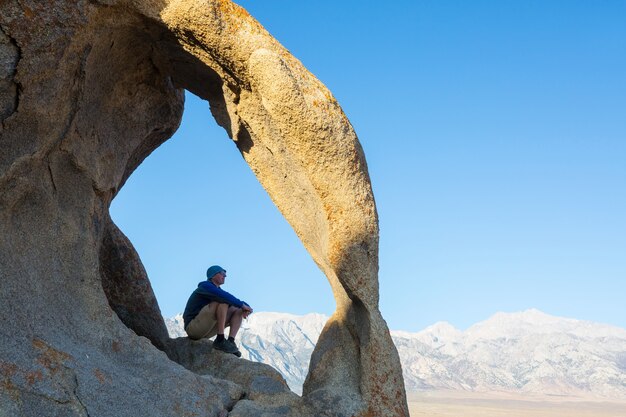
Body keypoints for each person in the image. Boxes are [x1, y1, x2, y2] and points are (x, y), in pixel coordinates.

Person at [183, 265, 253, 356]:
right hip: (193, 328)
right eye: (222, 273)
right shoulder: (205, 286)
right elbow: (224, 296)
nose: (225, 276)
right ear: (213, 275)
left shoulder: (218, 291)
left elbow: (230, 298)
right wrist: (243, 305)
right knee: (223, 302)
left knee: (238, 309)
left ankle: (230, 341)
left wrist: (245, 307)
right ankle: (220, 339)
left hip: (206, 330)